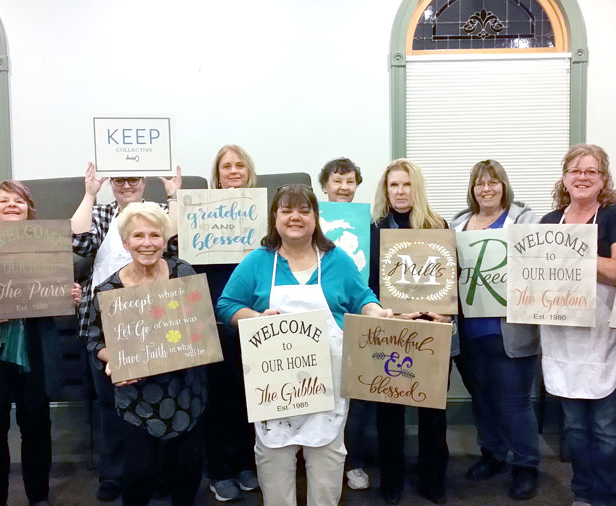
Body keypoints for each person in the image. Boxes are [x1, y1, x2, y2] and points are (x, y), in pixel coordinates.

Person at [216, 184, 394, 506]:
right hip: (274, 385)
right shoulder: (258, 262)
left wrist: (377, 311)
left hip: (327, 381)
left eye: (303, 210)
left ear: (315, 217)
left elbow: (362, 297)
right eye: (286, 210)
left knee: (326, 463)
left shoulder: (337, 260)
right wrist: (255, 316)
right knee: (274, 462)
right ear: (275, 218)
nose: (295, 217)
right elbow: (227, 304)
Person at [0, 181, 81, 506]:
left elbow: (56, 290)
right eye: (4, 200)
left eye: (19, 201)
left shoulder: (45, 245)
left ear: (29, 211)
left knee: (38, 426)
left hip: (34, 347)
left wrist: (68, 294)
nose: (12, 205)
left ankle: (38, 496)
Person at [72, 163, 182, 501]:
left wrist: (174, 196)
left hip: (158, 324)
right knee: (110, 406)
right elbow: (78, 243)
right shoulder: (103, 213)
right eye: (118, 179)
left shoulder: (159, 212)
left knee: (161, 400)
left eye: (133, 178)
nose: (126, 185)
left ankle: (159, 474)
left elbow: (179, 245)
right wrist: (90, 193)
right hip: (106, 326)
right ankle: (114, 475)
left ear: (144, 181)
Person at [87, 202, 207, 506]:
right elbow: (91, 338)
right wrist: (111, 358)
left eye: (155, 235)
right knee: (139, 474)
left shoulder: (183, 273)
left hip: (184, 393)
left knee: (186, 470)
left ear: (164, 241)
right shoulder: (108, 289)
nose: (147, 243)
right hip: (137, 397)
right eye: (138, 236)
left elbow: (203, 327)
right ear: (126, 243)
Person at [539, 145, 616, 506]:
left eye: (591, 171)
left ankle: (607, 496)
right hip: (562, 338)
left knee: (606, 429)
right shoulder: (550, 222)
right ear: (564, 177)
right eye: (575, 170)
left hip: (604, 335)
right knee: (576, 428)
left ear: (603, 179)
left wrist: (573, 252)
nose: (582, 177)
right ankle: (582, 493)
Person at [449, 160, 540, 500]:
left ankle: (526, 464)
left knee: (514, 402)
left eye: (493, 183)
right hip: (469, 329)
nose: (486, 189)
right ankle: (494, 455)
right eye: (479, 184)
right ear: (472, 189)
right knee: (483, 398)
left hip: (510, 329)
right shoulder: (457, 225)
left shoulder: (526, 221)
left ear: (504, 186)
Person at [369, 159, 452, 505]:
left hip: (431, 328)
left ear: (417, 188)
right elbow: (367, 282)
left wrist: (444, 316)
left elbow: (451, 280)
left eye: (406, 184)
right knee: (389, 412)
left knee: (433, 411)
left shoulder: (438, 226)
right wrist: (387, 311)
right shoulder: (373, 228)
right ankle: (392, 480)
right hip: (391, 327)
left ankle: (434, 479)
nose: (400, 191)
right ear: (385, 190)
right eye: (394, 185)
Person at [199, 145, 261, 501]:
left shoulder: (264, 213)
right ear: (217, 174)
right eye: (227, 166)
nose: (234, 171)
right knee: (218, 397)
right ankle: (219, 470)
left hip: (253, 318)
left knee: (250, 397)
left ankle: (244, 464)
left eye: (240, 165)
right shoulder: (201, 212)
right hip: (212, 316)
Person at [318, 156, 372, 491]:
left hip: (355, 318)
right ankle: (319, 460)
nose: (343, 187)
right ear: (324, 185)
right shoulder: (309, 221)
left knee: (357, 393)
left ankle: (354, 462)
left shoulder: (368, 224)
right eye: (337, 181)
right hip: (318, 319)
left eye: (350, 181)